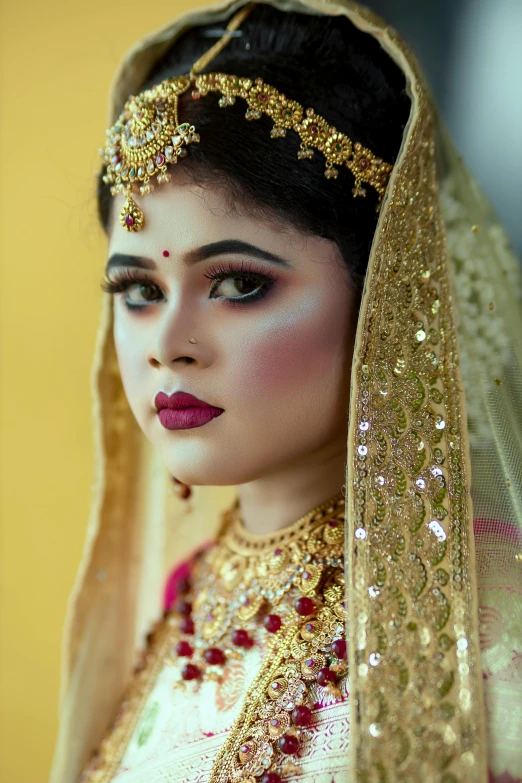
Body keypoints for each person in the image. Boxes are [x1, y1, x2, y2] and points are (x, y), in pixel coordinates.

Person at [49, 1, 522, 782]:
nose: (168, 344)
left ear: (389, 292)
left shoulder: (480, 628)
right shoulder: (185, 599)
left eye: (237, 283)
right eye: (137, 288)